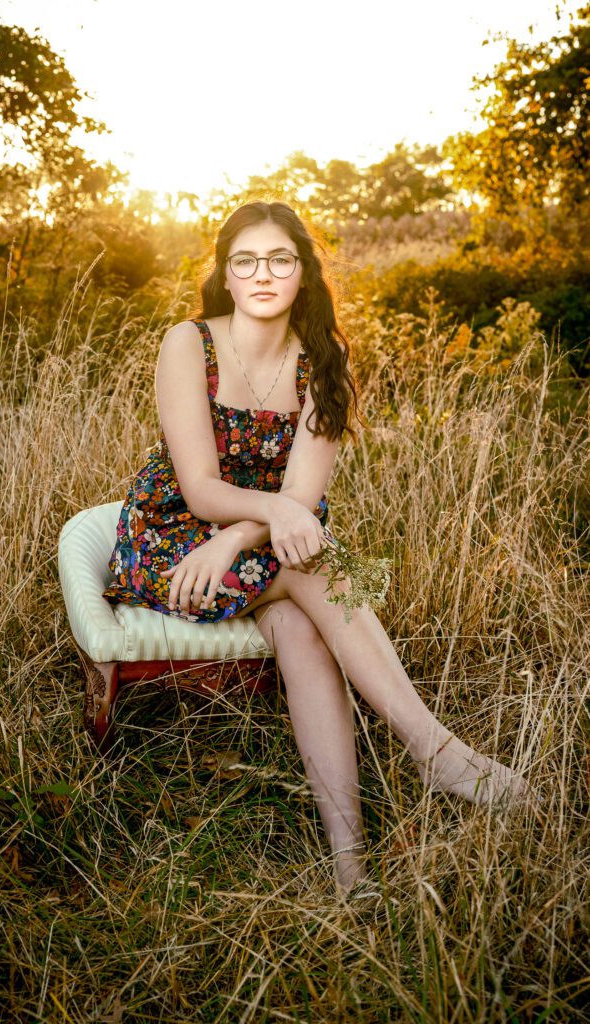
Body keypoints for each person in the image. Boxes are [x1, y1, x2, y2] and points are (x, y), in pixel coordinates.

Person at [103, 200, 534, 898]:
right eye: (245, 261)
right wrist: (254, 522)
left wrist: (252, 531)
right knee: (315, 562)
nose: (262, 274)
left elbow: (299, 493)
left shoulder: (323, 358)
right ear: (226, 275)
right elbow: (201, 487)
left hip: (270, 539)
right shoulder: (189, 342)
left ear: (303, 272)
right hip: (177, 539)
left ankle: (349, 867)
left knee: (303, 625)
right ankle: (433, 751)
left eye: (279, 259)